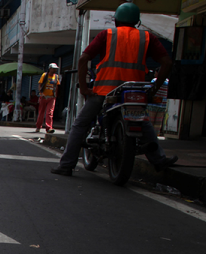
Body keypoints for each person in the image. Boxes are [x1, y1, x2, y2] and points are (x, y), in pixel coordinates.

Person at [51, 3, 177, 176]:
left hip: (105, 91)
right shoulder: (147, 37)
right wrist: (154, 88)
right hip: (133, 93)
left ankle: (66, 165)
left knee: (80, 125)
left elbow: (83, 59)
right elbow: (167, 63)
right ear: (137, 21)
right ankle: (159, 160)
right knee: (143, 123)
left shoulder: (107, 34)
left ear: (116, 20)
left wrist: (84, 88)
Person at [36, 63, 60, 133]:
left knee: (50, 113)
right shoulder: (44, 75)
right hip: (44, 97)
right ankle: (38, 126)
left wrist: (56, 94)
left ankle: (49, 128)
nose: (55, 70)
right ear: (50, 68)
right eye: (53, 68)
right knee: (41, 113)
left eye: (56, 69)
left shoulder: (56, 77)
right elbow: (40, 85)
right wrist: (41, 93)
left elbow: (57, 86)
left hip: (52, 97)